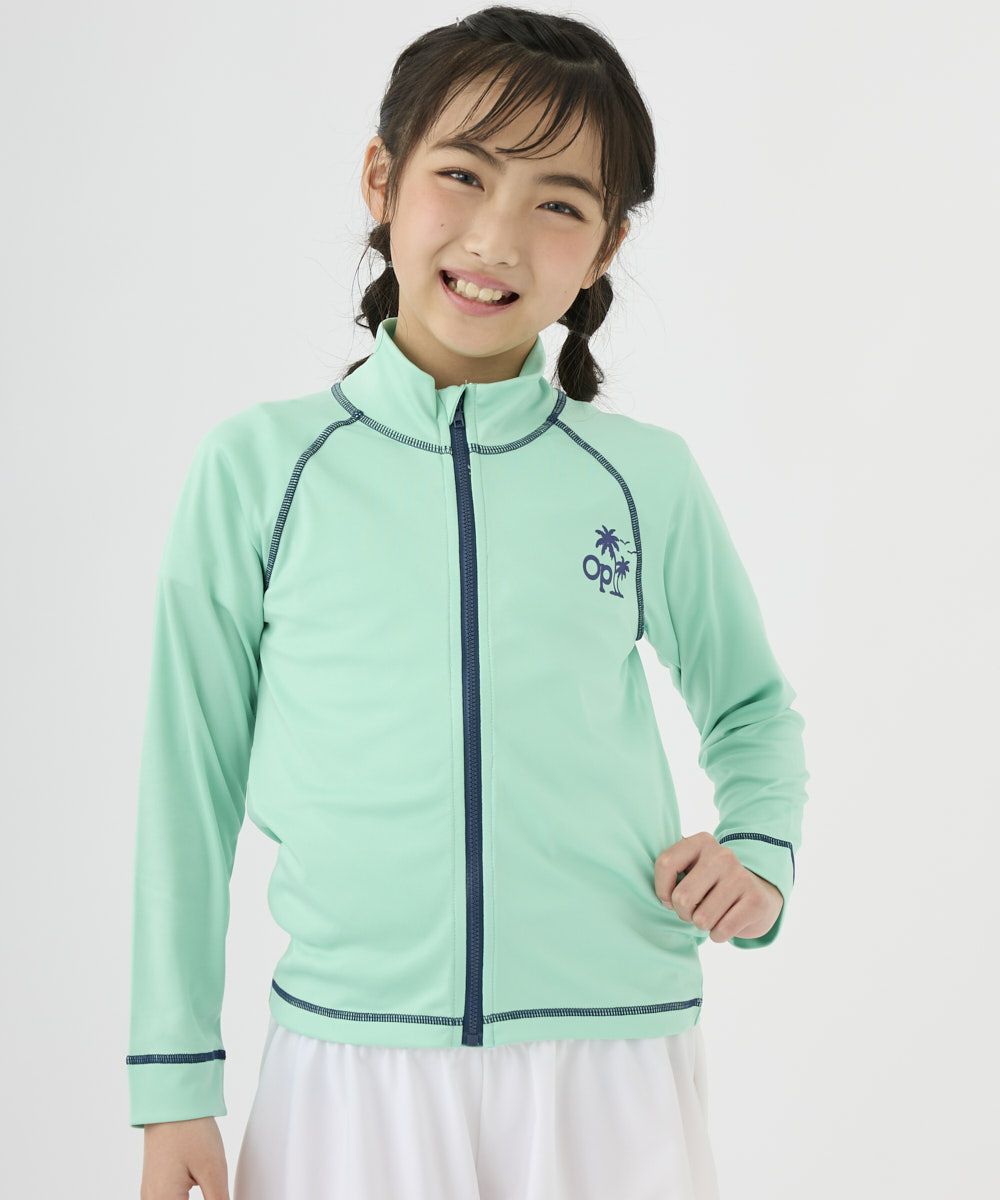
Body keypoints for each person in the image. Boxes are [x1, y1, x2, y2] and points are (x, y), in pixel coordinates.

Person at [126, 6, 810, 1198]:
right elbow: (189, 786)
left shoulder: (641, 478)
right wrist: (173, 1080)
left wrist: (758, 848)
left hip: (610, 1062)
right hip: (350, 1063)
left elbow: (751, 707)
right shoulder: (258, 471)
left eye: (559, 202)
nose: (496, 237)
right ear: (382, 179)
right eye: (463, 174)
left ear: (604, 246)